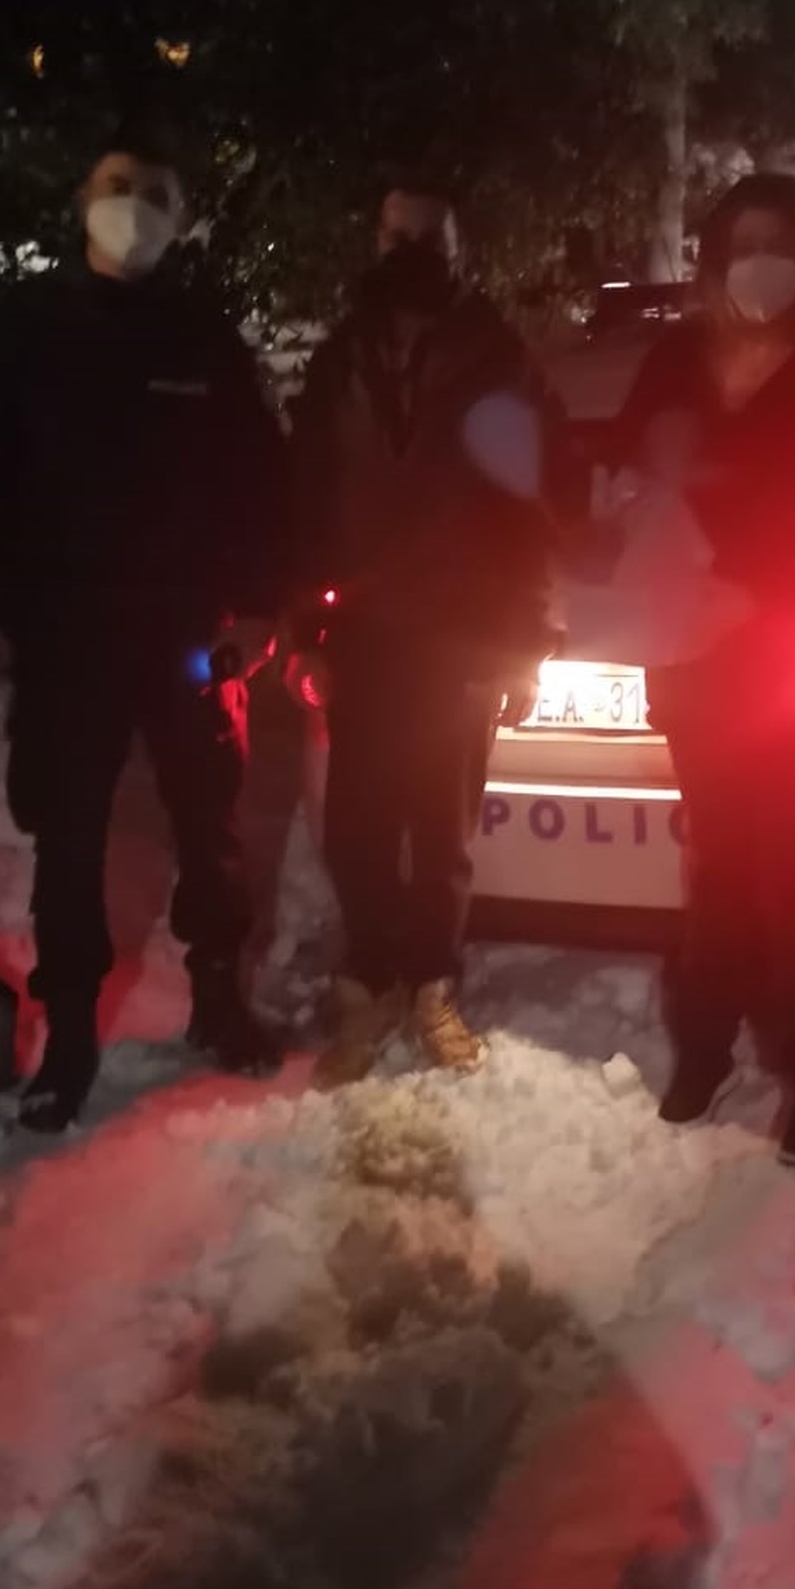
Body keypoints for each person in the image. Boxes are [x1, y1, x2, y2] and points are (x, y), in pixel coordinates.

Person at [0, 130, 290, 1130]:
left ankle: (220, 999)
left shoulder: (203, 337)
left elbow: (262, 481)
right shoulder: (20, 330)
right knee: (69, 833)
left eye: (157, 193)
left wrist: (261, 603)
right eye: (119, 186)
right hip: (65, 628)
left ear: (183, 217)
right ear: (84, 200)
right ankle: (72, 1033)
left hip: (188, 627)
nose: (136, 206)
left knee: (210, 819)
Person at [615, 173, 795, 1171]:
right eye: (742, 244)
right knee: (720, 866)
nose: (758, 263)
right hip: (698, 664)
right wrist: (621, 498)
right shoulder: (676, 361)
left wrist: (760, 591)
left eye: (779, 243)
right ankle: (706, 1048)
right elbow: (629, 473)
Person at [286, 188, 556, 1085]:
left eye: (429, 235)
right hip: (364, 636)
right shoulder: (342, 358)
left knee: (443, 836)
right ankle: (369, 986)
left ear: (458, 247)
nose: (410, 248)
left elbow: (532, 499)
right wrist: (305, 628)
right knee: (358, 829)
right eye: (396, 233)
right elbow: (308, 498)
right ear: (377, 239)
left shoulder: (497, 356)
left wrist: (527, 639)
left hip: (463, 637)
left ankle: (434, 986)